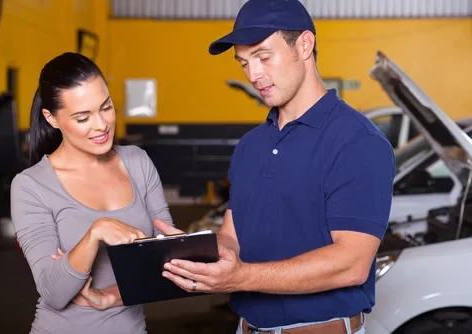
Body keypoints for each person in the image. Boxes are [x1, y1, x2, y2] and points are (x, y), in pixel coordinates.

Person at [160, 0, 396, 333]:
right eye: (244, 62)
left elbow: (352, 263)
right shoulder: (250, 146)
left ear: (304, 45)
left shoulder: (357, 142)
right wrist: (192, 252)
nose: (253, 74)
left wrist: (242, 276)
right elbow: (232, 236)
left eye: (263, 57)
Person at [10, 52, 175, 334]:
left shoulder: (137, 162)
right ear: (51, 118)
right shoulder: (31, 186)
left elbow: (167, 268)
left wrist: (110, 296)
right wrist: (95, 234)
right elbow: (54, 291)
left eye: (106, 107)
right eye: (83, 117)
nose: (101, 125)